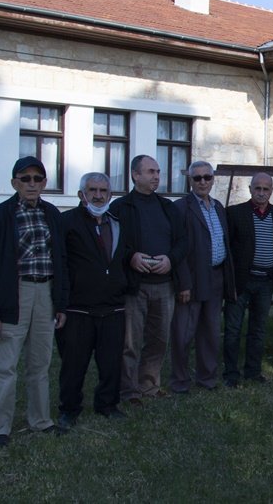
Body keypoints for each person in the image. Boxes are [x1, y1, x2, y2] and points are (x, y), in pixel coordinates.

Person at [0, 156, 67, 447]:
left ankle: (41, 420)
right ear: (14, 183)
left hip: (45, 293)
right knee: (6, 366)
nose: (31, 184)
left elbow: (61, 260)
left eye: (37, 179)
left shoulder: (52, 214)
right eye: (25, 179)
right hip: (14, 294)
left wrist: (60, 304)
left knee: (40, 364)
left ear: (44, 183)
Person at [56, 172, 131, 432]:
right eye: (92, 190)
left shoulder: (117, 223)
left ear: (110, 195)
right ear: (81, 194)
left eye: (103, 191)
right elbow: (60, 263)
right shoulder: (66, 222)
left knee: (111, 362)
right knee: (73, 364)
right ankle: (69, 409)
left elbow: (123, 258)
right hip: (78, 307)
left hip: (113, 306)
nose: (98, 195)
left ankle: (107, 404)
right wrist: (60, 303)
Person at [110, 154, 187, 406]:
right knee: (130, 342)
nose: (156, 176)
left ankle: (149, 384)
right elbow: (112, 245)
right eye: (151, 171)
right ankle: (128, 390)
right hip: (135, 286)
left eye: (158, 172)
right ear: (135, 175)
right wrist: (131, 257)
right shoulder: (120, 207)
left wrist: (170, 259)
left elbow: (182, 242)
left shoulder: (168, 207)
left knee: (159, 339)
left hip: (164, 285)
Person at [170, 161, 235, 393]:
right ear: (190, 180)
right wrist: (183, 283)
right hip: (192, 279)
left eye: (207, 177)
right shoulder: (181, 208)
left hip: (216, 277)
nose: (203, 182)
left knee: (210, 331)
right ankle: (180, 381)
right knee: (183, 333)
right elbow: (177, 249)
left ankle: (207, 378)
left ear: (213, 179)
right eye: (197, 178)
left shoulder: (218, 207)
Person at [224, 173, 273, 388]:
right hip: (241, 280)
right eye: (257, 188)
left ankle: (253, 371)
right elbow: (228, 249)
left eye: (265, 189)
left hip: (265, 282)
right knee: (233, 329)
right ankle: (231, 373)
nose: (261, 193)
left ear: (272, 191)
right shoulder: (235, 213)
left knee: (258, 329)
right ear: (250, 189)